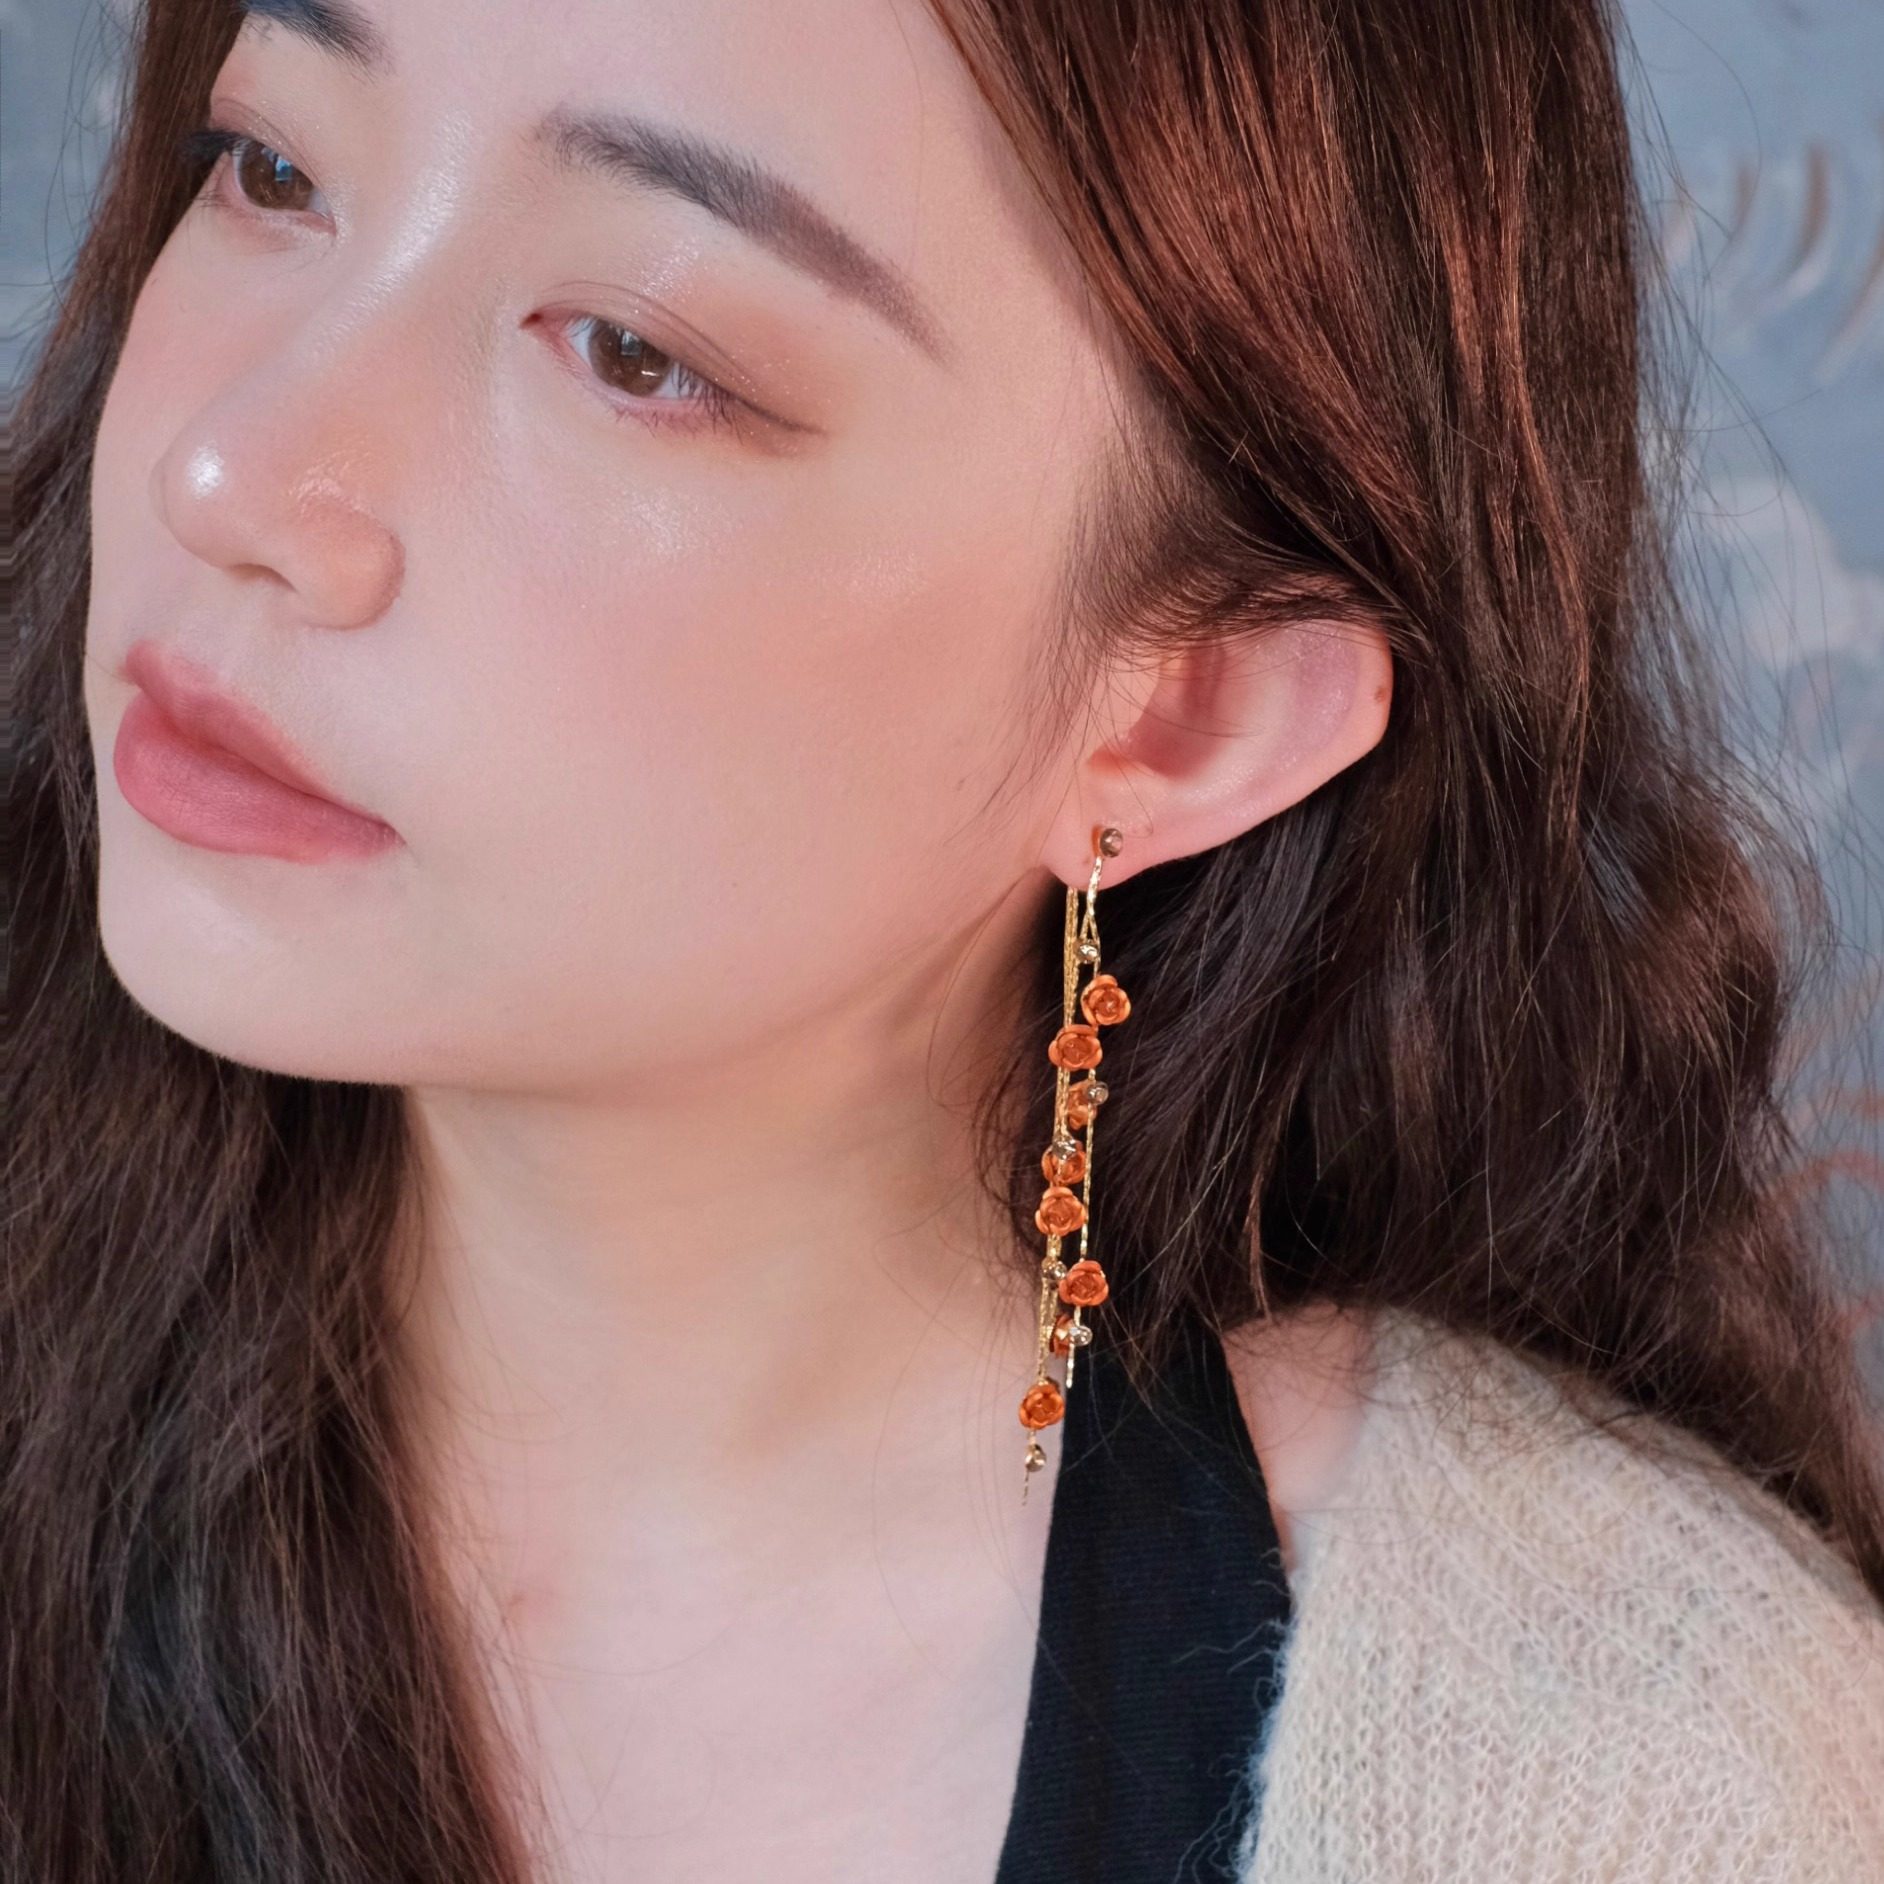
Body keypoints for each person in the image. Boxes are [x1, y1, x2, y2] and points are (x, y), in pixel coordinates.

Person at [7, 0, 1883, 1878]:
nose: (227, 476)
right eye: (273, 170)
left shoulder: (1625, 1781)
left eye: (637, 352)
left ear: (1186, 718)